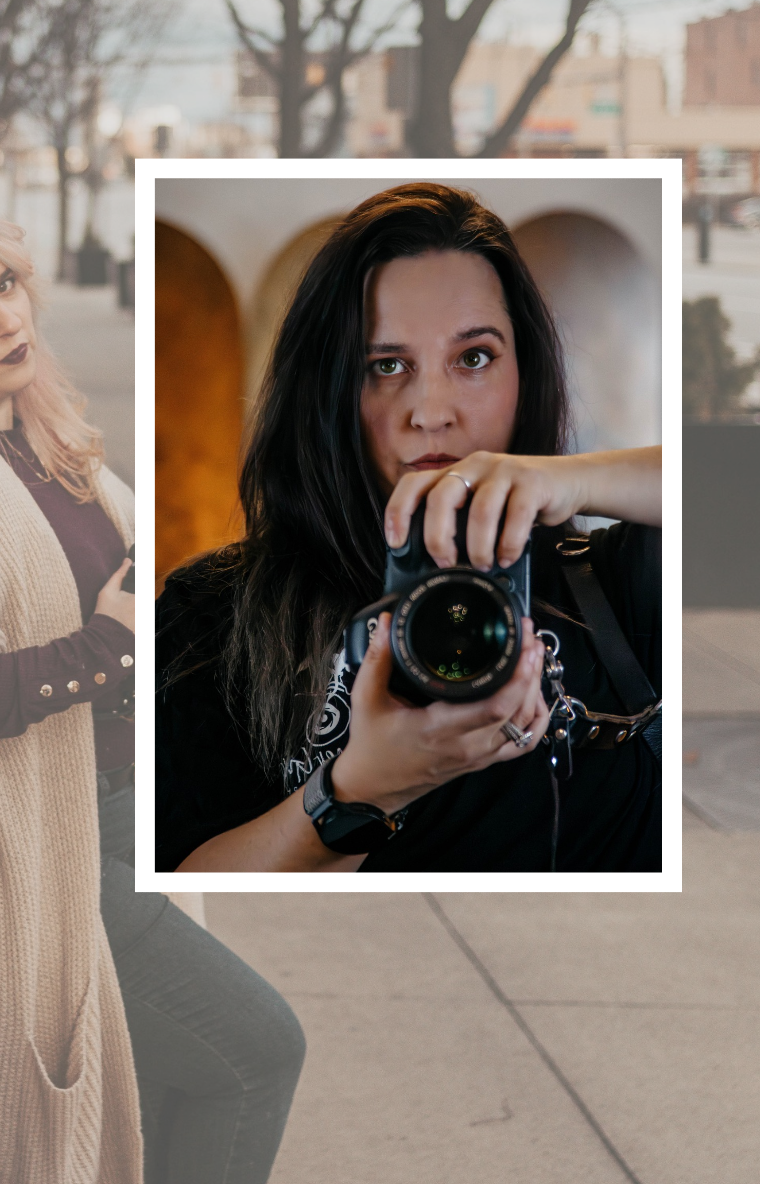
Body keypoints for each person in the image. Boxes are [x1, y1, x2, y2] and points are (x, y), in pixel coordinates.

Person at [0, 196, 321, 1184]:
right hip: (49, 855)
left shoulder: (37, 443)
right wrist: (104, 651)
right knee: (256, 1050)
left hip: (116, 822)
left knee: (185, 1104)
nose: (3, 318)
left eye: (6, 286)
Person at [156, 183, 662, 874]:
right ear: (328, 386)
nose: (431, 410)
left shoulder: (611, 586)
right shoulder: (214, 611)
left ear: (528, 369)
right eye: (385, 365)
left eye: (474, 357)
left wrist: (571, 478)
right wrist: (358, 792)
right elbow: (179, 895)